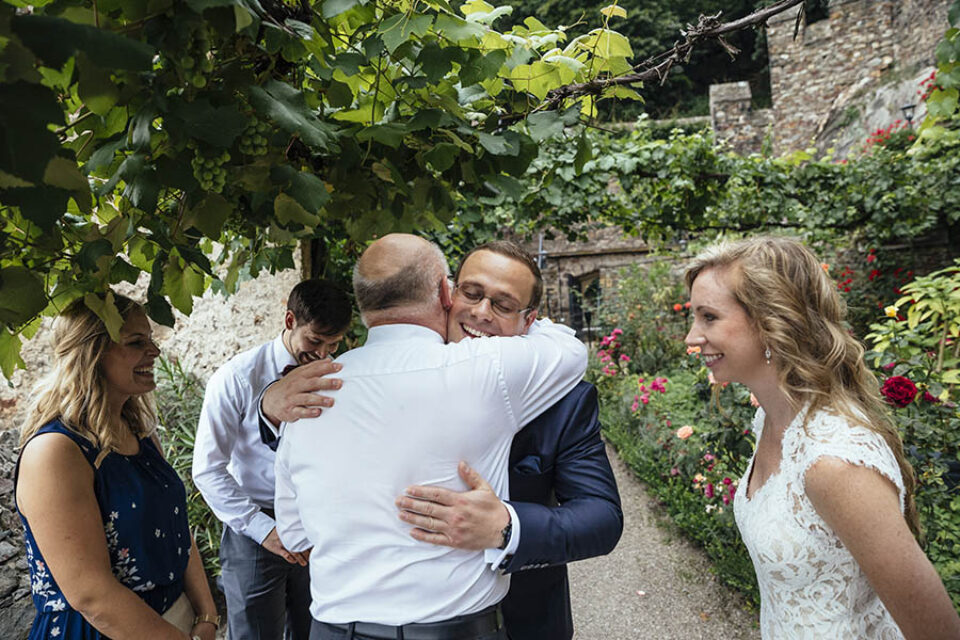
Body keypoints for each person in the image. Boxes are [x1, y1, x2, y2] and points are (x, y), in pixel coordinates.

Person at [260, 242, 623, 640]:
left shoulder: (565, 396)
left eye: (503, 305)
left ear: (530, 320)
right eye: (472, 293)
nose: (481, 312)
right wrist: (269, 403)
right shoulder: (320, 393)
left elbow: (601, 519)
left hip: (522, 620)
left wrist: (509, 528)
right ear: (447, 294)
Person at [683, 236, 960, 639]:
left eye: (709, 317)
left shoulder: (834, 462)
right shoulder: (772, 423)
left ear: (772, 320)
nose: (692, 337)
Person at [15, 293, 219, 640]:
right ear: (91, 353)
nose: (154, 352)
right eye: (137, 342)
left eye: (150, 340)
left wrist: (207, 614)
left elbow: (177, 528)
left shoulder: (140, 433)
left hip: (175, 621)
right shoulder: (55, 452)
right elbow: (92, 596)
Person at [192, 280, 351, 640]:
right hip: (253, 526)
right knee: (253, 632)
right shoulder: (236, 378)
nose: (323, 355)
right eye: (315, 341)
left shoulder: (337, 377)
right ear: (291, 319)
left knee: (318, 629)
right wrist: (265, 531)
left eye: (334, 345)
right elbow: (207, 469)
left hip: (316, 523)